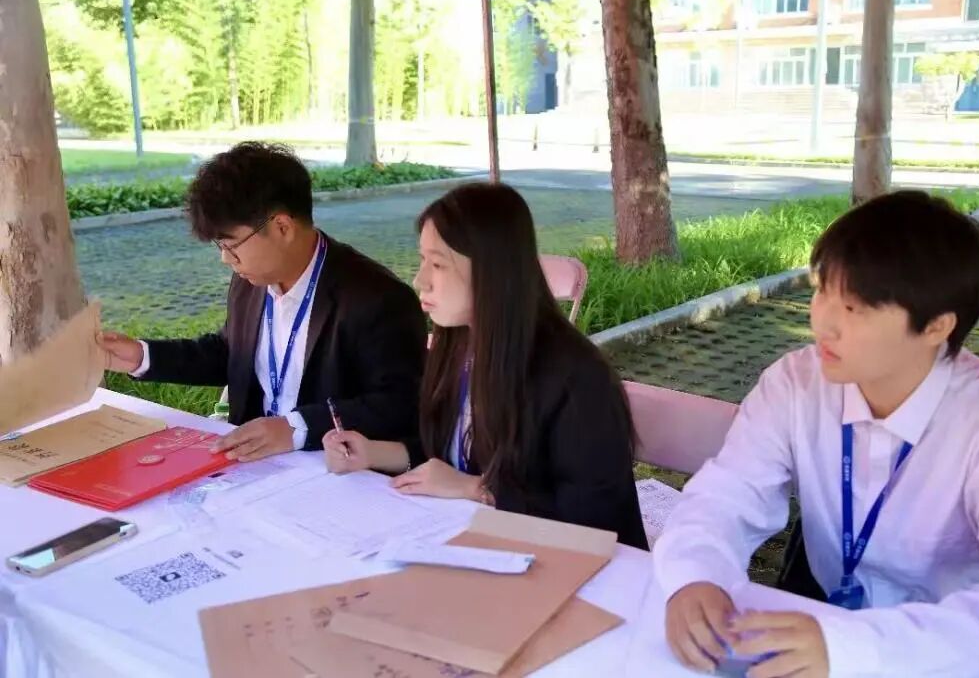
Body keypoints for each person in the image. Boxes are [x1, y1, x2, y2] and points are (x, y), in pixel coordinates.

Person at [656, 190, 979, 676]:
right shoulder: (796, 383)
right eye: (821, 291)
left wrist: (855, 649)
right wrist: (695, 576)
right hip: (824, 621)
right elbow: (727, 495)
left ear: (936, 326)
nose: (823, 324)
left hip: (954, 654)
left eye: (854, 308)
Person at [323, 182, 648, 549]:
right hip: (473, 543)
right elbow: (451, 457)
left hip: (575, 565)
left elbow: (592, 521)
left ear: (492, 271)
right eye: (422, 260)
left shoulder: (576, 378)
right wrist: (373, 453)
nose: (419, 280)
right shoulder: (458, 345)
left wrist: (474, 489)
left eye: (438, 264)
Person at [100, 142, 426, 462]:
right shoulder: (251, 280)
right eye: (220, 247)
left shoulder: (378, 298)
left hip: (333, 470)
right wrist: (142, 356)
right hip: (253, 465)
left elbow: (398, 403)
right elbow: (232, 352)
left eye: (231, 245)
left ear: (282, 227)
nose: (226, 259)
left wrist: (296, 428)